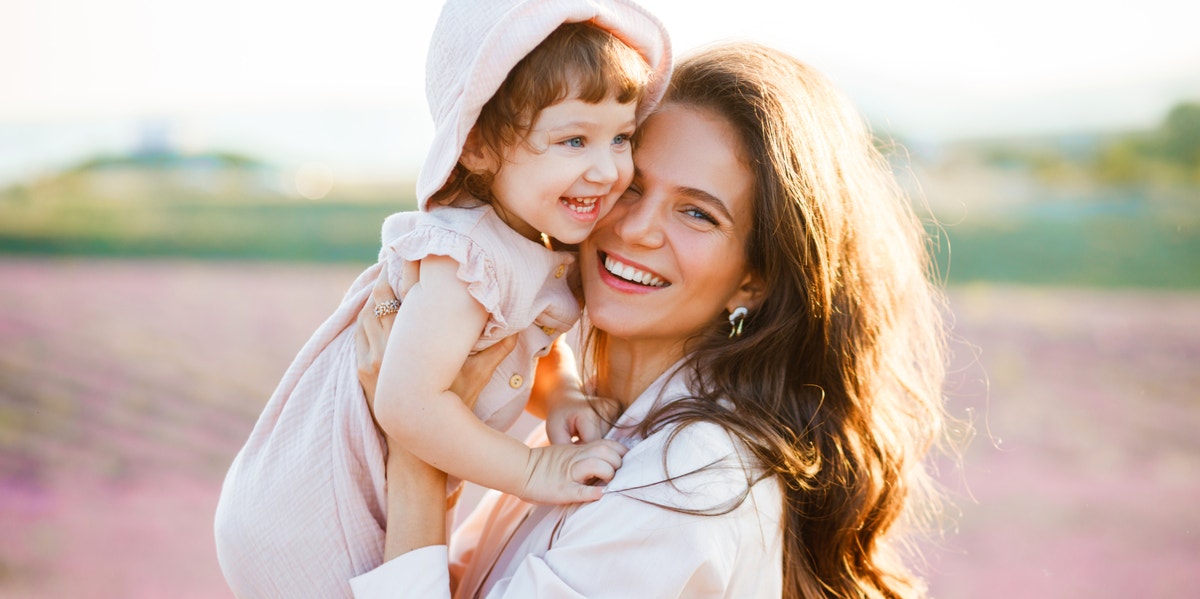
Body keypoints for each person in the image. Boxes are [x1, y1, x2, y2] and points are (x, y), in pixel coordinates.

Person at [350, 41, 953, 598]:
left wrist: (415, 450)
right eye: (631, 186)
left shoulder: (687, 481)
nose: (635, 227)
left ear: (755, 279)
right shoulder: (595, 427)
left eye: (696, 213)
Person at [213, 1, 671, 596]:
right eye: (574, 140)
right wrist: (535, 469)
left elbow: (522, 341)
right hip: (311, 511)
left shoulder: (532, 239)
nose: (607, 169)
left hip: (357, 496)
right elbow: (406, 400)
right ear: (477, 146)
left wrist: (561, 394)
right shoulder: (470, 258)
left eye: (622, 138)